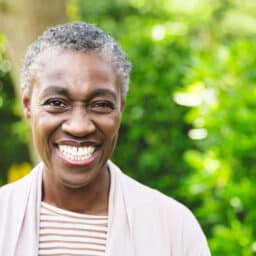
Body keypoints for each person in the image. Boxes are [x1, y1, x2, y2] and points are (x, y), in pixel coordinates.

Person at [0, 22, 211, 256]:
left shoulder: (174, 229)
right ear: (28, 105)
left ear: (121, 109)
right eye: (57, 103)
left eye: (100, 105)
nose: (79, 127)